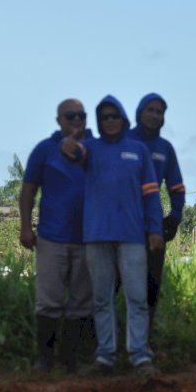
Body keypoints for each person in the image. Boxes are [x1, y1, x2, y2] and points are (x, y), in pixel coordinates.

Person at [62, 95, 164, 377]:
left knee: (137, 298)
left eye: (114, 116)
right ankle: (105, 357)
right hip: (97, 235)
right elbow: (74, 152)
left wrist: (155, 229)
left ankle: (140, 357)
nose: (109, 121)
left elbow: (152, 194)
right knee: (101, 299)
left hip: (132, 235)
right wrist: (67, 144)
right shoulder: (90, 149)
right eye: (104, 117)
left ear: (123, 119)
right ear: (99, 120)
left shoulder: (138, 150)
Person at [20, 98, 93, 374]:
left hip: (88, 238)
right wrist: (26, 226)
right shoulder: (44, 149)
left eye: (81, 115)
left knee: (81, 302)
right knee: (48, 301)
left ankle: (71, 360)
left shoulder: (95, 148)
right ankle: (44, 360)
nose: (76, 120)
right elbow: (28, 191)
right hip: (51, 237)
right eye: (70, 115)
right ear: (58, 120)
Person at [127, 93, 185, 332]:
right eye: (150, 110)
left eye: (159, 111)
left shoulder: (165, 148)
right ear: (139, 112)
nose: (154, 115)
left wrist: (175, 217)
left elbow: (177, 187)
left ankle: (144, 342)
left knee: (151, 285)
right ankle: (109, 343)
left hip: (153, 227)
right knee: (115, 286)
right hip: (123, 225)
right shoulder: (124, 140)